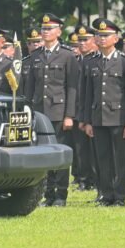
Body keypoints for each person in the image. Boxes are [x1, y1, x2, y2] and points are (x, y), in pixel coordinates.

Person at [25, 13, 79, 207]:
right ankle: (47, 193)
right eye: (43, 29)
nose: (45, 32)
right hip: (40, 111)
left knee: (60, 153)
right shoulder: (36, 55)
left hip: (59, 111)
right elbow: (30, 87)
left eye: (49, 29)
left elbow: (72, 87)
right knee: (43, 153)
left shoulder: (67, 55)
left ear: (59, 31)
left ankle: (60, 194)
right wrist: (29, 111)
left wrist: (69, 115)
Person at [82, 19, 125, 206]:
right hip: (98, 117)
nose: (101, 38)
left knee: (120, 159)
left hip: (119, 117)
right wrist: (87, 120)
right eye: (98, 35)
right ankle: (106, 194)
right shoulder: (92, 62)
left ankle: (120, 196)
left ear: (116, 38)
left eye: (106, 35)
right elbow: (88, 94)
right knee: (102, 158)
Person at [74, 25, 99, 193]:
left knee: (96, 149)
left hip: (95, 111)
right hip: (77, 110)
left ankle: (97, 179)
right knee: (80, 148)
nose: (82, 43)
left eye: (86, 40)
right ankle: (83, 179)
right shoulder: (74, 60)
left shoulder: (95, 60)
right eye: (80, 40)